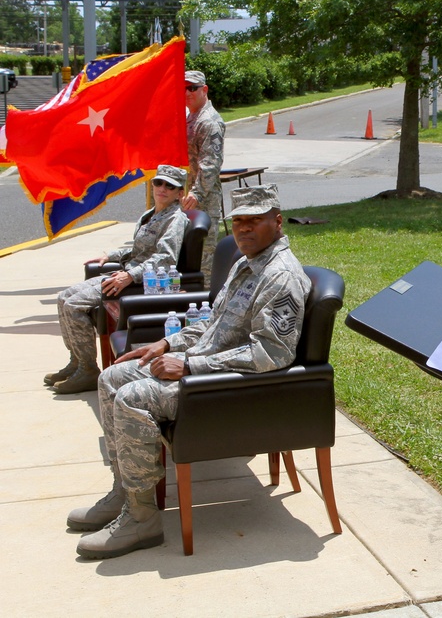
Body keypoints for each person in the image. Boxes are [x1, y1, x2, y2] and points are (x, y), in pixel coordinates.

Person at [69, 184, 310, 559]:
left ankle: (142, 518)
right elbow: (213, 323)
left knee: (133, 397)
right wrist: (166, 344)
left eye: (255, 221)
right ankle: (128, 492)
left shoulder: (281, 276)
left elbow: (272, 354)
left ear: (277, 222)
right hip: (201, 371)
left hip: (227, 390)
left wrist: (190, 364)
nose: (244, 229)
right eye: (238, 222)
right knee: (111, 378)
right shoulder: (246, 263)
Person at [48, 165, 189, 395]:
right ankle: (76, 361)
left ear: (179, 193)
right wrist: (111, 256)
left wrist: (130, 275)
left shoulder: (175, 219)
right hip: (125, 273)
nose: (162, 189)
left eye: (170, 186)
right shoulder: (150, 214)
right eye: (158, 183)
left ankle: (87, 370)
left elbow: (165, 258)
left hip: (142, 281)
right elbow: (137, 249)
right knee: (64, 297)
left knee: (74, 306)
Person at [181, 69, 226, 288]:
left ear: (204, 90)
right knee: (188, 257)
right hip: (188, 198)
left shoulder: (209, 122)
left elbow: (211, 164)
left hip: (203, 201)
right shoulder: (190, 117)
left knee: (204, 262)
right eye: (183, 89)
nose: (187, 93)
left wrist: (196, 193)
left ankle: (205, 309)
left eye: (192, 88)